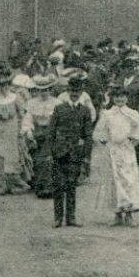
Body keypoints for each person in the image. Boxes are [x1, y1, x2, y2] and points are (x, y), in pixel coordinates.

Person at [92, 87, 139, 226]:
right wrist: (106, 146)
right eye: (116, 97)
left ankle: (129, 214)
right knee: (114, 180)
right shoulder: (107, 114)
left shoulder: (132, 113)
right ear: (112, 98)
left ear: (127, 98)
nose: (119, 99)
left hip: (126, 151)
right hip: (112, 151)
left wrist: (132, 143)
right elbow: (98, 133)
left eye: (122, 96)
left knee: (128, 180)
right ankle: (117, 214)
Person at [47, 78, 92, 227]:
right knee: (58, 186)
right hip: (59, 153)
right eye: (72, 91)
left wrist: (86, 156)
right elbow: (51, 133)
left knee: (72, 185)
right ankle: (57, 218)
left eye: (77, 91)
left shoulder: (85, 111)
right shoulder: (59, 109)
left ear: (81, 93)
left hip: (75, 154)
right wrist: (50, 152)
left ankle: (71, 218)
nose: (74, 94)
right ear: (67, 92)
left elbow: (87, 136)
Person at [0, 76, 30, 194]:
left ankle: (13, 181)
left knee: (12, 153)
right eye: (0, 86)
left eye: (6, 85)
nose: (3, 88)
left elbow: (21, 115)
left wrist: (21, 129)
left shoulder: (16, 97)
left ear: (9, 85)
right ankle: (2, 182)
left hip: (11, 126)